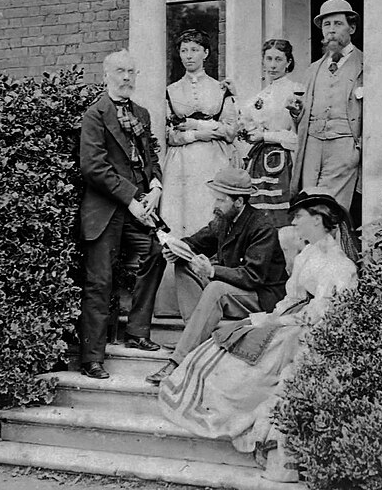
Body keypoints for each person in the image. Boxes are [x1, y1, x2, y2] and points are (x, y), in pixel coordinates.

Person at [158, 189, 359, 482]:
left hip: (308, 329)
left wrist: (281, 320)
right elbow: (293, 297)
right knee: (228, 340)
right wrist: (272, 317)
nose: (295, 225)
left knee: (250, 363)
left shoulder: (340, 265)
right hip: (288, 316)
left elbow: (326, 312)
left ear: (318, 220)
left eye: (300, 218)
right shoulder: (308, 254)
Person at [146, 166, 288, 386]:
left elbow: (252, 276)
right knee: (183, 265)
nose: (215, 205)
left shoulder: (262, 226)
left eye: (221, 200)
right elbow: (197, 241)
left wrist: (212, 271)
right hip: (238, 290)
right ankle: (195, 340)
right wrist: (176, 248)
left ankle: (178, 362)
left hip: (262, 295)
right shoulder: (223, 220)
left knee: (216, 288)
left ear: (239, 202)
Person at [78, 49, 165, 380]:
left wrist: (156, 185)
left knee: (157, 251)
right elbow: (93, 167)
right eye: (120, 71)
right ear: (106, 75)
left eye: (132, 71)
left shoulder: (141, 113)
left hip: (139, 205)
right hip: (106, 209)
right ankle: (92, 358)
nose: (127, 77)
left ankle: (137, 331)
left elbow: (150, 155)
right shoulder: (95, 114)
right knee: (100, 280)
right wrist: (131, 199)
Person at [160, 29, 239, 240]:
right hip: (181, 163)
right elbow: (167, 134)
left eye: (194, 50)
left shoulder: (220, 89)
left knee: (210, 208)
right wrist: (193, 136)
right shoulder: (171, 90)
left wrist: (200, 127)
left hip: (214, 159)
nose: (188, 55)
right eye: (184, 50)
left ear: (205, 53)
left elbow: (231, 130)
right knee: (182, 215)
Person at [289, 0, 363, 223]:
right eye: (326, 24)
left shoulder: (366, 66)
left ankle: (335, 255)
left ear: (351, 28)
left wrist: (358, 148)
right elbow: (304, 115)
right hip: (312, 144)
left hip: (344, 145)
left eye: (337, 24)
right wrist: (296, 112)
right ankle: (314, 256)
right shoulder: (313, 69)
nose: (331, 30)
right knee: (309, 202)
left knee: (332, 208)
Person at [240, 39, 304, 272]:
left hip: (282, 163)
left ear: (288, 62)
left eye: (279, 59)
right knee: (261, 223)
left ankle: (290, 279)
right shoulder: (261, 95)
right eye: (269, 59)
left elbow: (296, 138)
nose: (273, 65)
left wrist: (265, 137)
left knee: (284, 226)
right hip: (259, 162)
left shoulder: (295, 91)